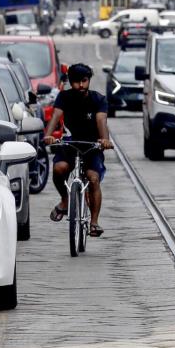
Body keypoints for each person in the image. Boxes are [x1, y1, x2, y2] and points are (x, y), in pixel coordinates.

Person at [42, 62, 112, 237]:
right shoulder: (64, 97)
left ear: (88, 80)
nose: (80, 85)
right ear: (70, 82)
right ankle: (65, 200)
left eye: (84, 81)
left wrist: (104, 140)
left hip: (91, 145)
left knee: (93, 178)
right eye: (76, 82)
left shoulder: (99, 99)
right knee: (59, 169)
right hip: (70, 142)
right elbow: (56, 115)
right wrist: (48, 135)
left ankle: (94, 222)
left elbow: (101, 121)